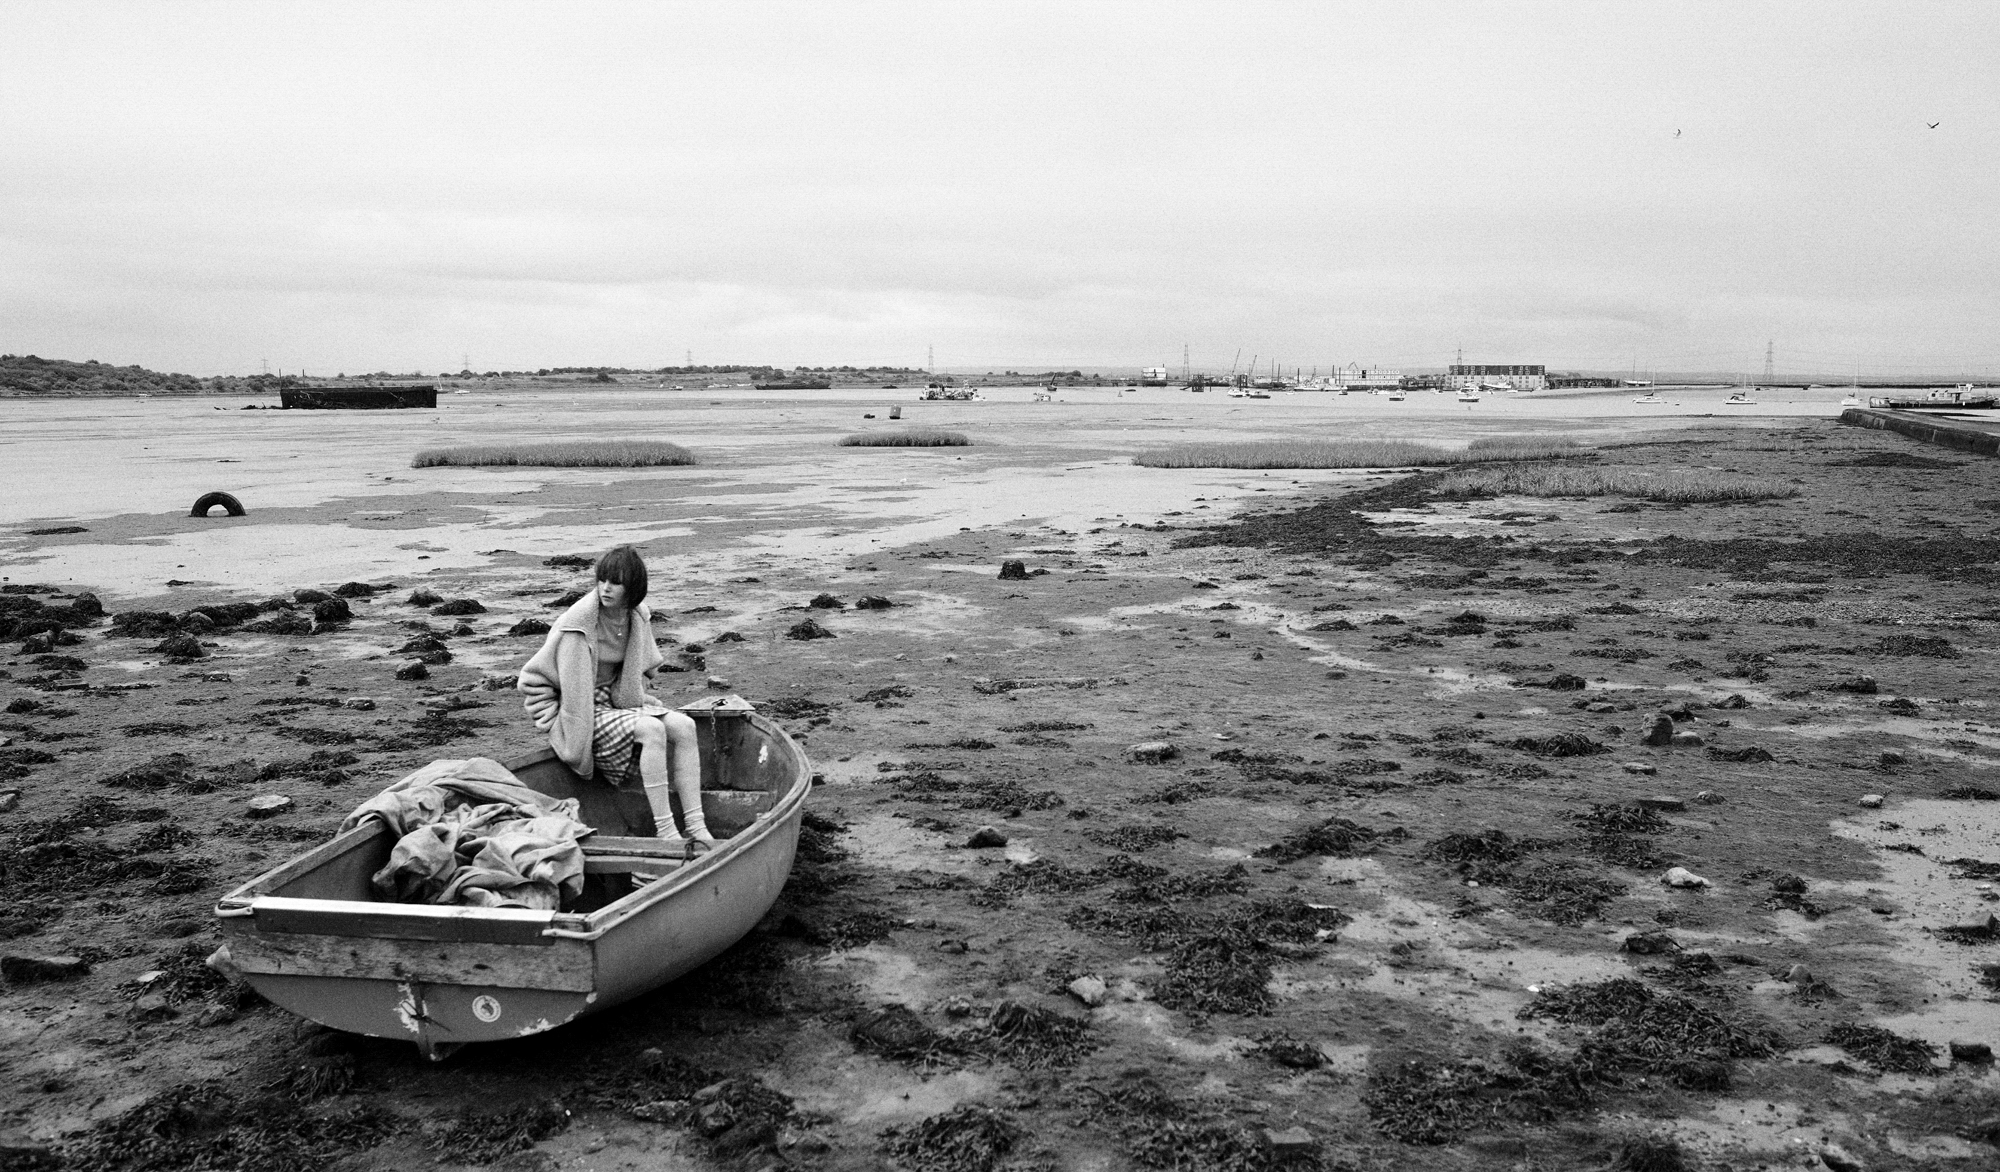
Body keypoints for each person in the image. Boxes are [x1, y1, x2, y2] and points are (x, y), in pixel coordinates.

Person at [517, 545, 711, 850]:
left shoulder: (637, 616)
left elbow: (644, 666)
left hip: (619, 702)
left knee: (685, 726)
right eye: (602, 579)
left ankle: (697, 826)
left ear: (632, 588)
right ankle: (666, 831)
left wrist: (635, 693)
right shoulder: (578, 624)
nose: (606, 588)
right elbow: (532, 681)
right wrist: (555, 720)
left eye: (616, 582)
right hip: (584, 710)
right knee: (652, 729)